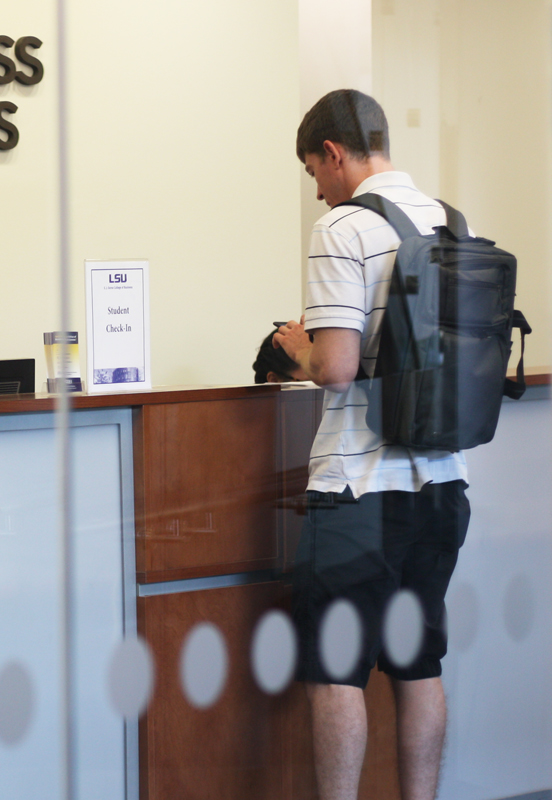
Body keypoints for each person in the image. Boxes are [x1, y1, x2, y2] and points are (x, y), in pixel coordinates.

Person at [274, 89, 469, 800]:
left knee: (336, 673)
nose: (316, 191)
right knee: (418, 666)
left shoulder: (343, 227)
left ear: (333, 153)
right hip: (443, 484)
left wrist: (297, 348)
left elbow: (336, 367)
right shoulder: (450, 221)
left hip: (357, 489)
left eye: (313, 172)